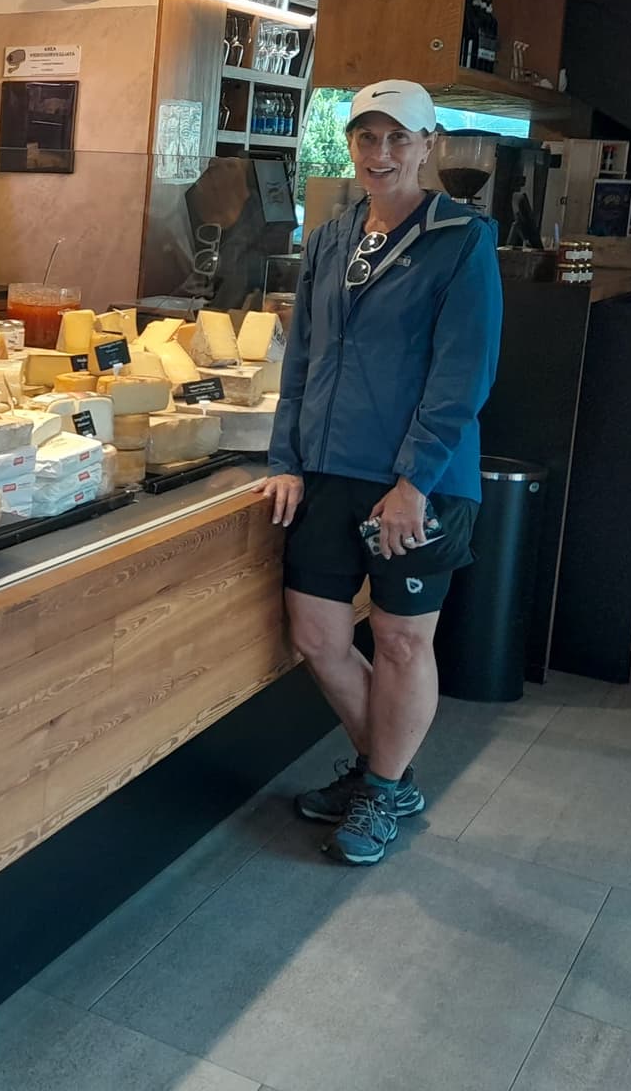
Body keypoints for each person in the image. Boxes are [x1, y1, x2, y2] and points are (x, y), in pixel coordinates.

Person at [261, 80, 502, 866]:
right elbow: (302, 357)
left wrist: (414, 482)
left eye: (399, 137)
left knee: (400, 641)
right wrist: (286, 458)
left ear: (428, 145)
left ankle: (380, 785)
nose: (381, 152)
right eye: (367, 136)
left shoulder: (461, 239)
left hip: (417, 481)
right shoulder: (332, 238)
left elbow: (463, 373)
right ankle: (384, 777)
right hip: (328, 468)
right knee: (317, 634)